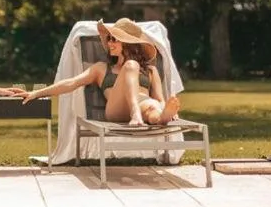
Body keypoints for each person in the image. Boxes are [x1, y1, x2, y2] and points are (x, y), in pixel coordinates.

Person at [23, 18, 180, 126]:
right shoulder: (101, 68)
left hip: (144, 105)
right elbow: (72, 82)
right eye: (109, 38)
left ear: (127, 43)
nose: (109, 43)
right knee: (131, 65)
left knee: (153, 108)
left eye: (114, 39)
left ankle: (161, 118)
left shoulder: (151, 70)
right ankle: (136, 113)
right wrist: (37, 93)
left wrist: (164, 108)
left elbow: (159, 98)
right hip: (117, 110)